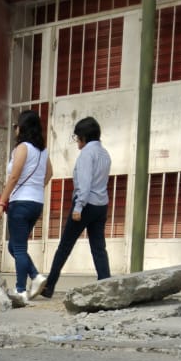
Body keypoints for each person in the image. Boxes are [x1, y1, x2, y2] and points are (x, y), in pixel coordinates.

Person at [40, 116, 112, 299]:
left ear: (83, 137)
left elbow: (85, 184)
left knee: (65, 246)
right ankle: (106, 284)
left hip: (85, 204)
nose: (77, 141)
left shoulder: (87, 154)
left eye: (77, 137)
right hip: (101, 205)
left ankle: (49, 286)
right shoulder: (104, 153)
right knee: (98, 247)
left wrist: (78, 207)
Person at [0, 111, 52, 305]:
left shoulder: (22, 148)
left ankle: (21, 291)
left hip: (21, 203)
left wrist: (1, 202)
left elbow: (14, 177)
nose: (15, 129)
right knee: (14, 246)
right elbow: (50, 174)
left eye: (16, 126)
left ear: (23, 127)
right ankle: (35, 275)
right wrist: (34, 189)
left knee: (18, 248)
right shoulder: (43, 151)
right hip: (36, 202)